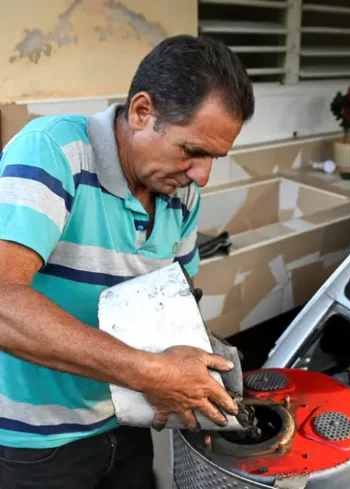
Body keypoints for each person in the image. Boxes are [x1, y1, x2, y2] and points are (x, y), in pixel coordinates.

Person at [0, 35, 255, 488]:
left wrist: (207, 381)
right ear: (142, 112)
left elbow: (174, 309)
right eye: (193, 151)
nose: (202, 175)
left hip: (125, 423)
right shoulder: (54, 151)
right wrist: (153, 372)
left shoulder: (182, 194)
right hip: (36, 445)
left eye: (213, 158)